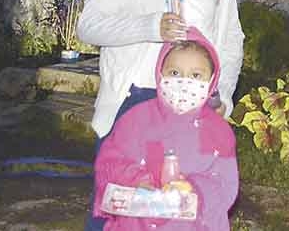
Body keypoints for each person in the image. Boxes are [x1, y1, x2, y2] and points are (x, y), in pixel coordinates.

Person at [77, 0, 244, 231]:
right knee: (125, 202)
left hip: (192, 107)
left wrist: (221, 96)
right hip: (134, 101)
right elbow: (89, 26)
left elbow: (229, 41)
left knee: (183, 204)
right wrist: (150, 27)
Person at [93, 27, 238, 230]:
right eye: (175, 72)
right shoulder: (135, 120)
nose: (185, 82)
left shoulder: (216, 132)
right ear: (160, 73)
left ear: (211, 81)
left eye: (196, 75)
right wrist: (137, 180)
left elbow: (224, 183)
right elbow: (109, 163)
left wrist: (193, 191)